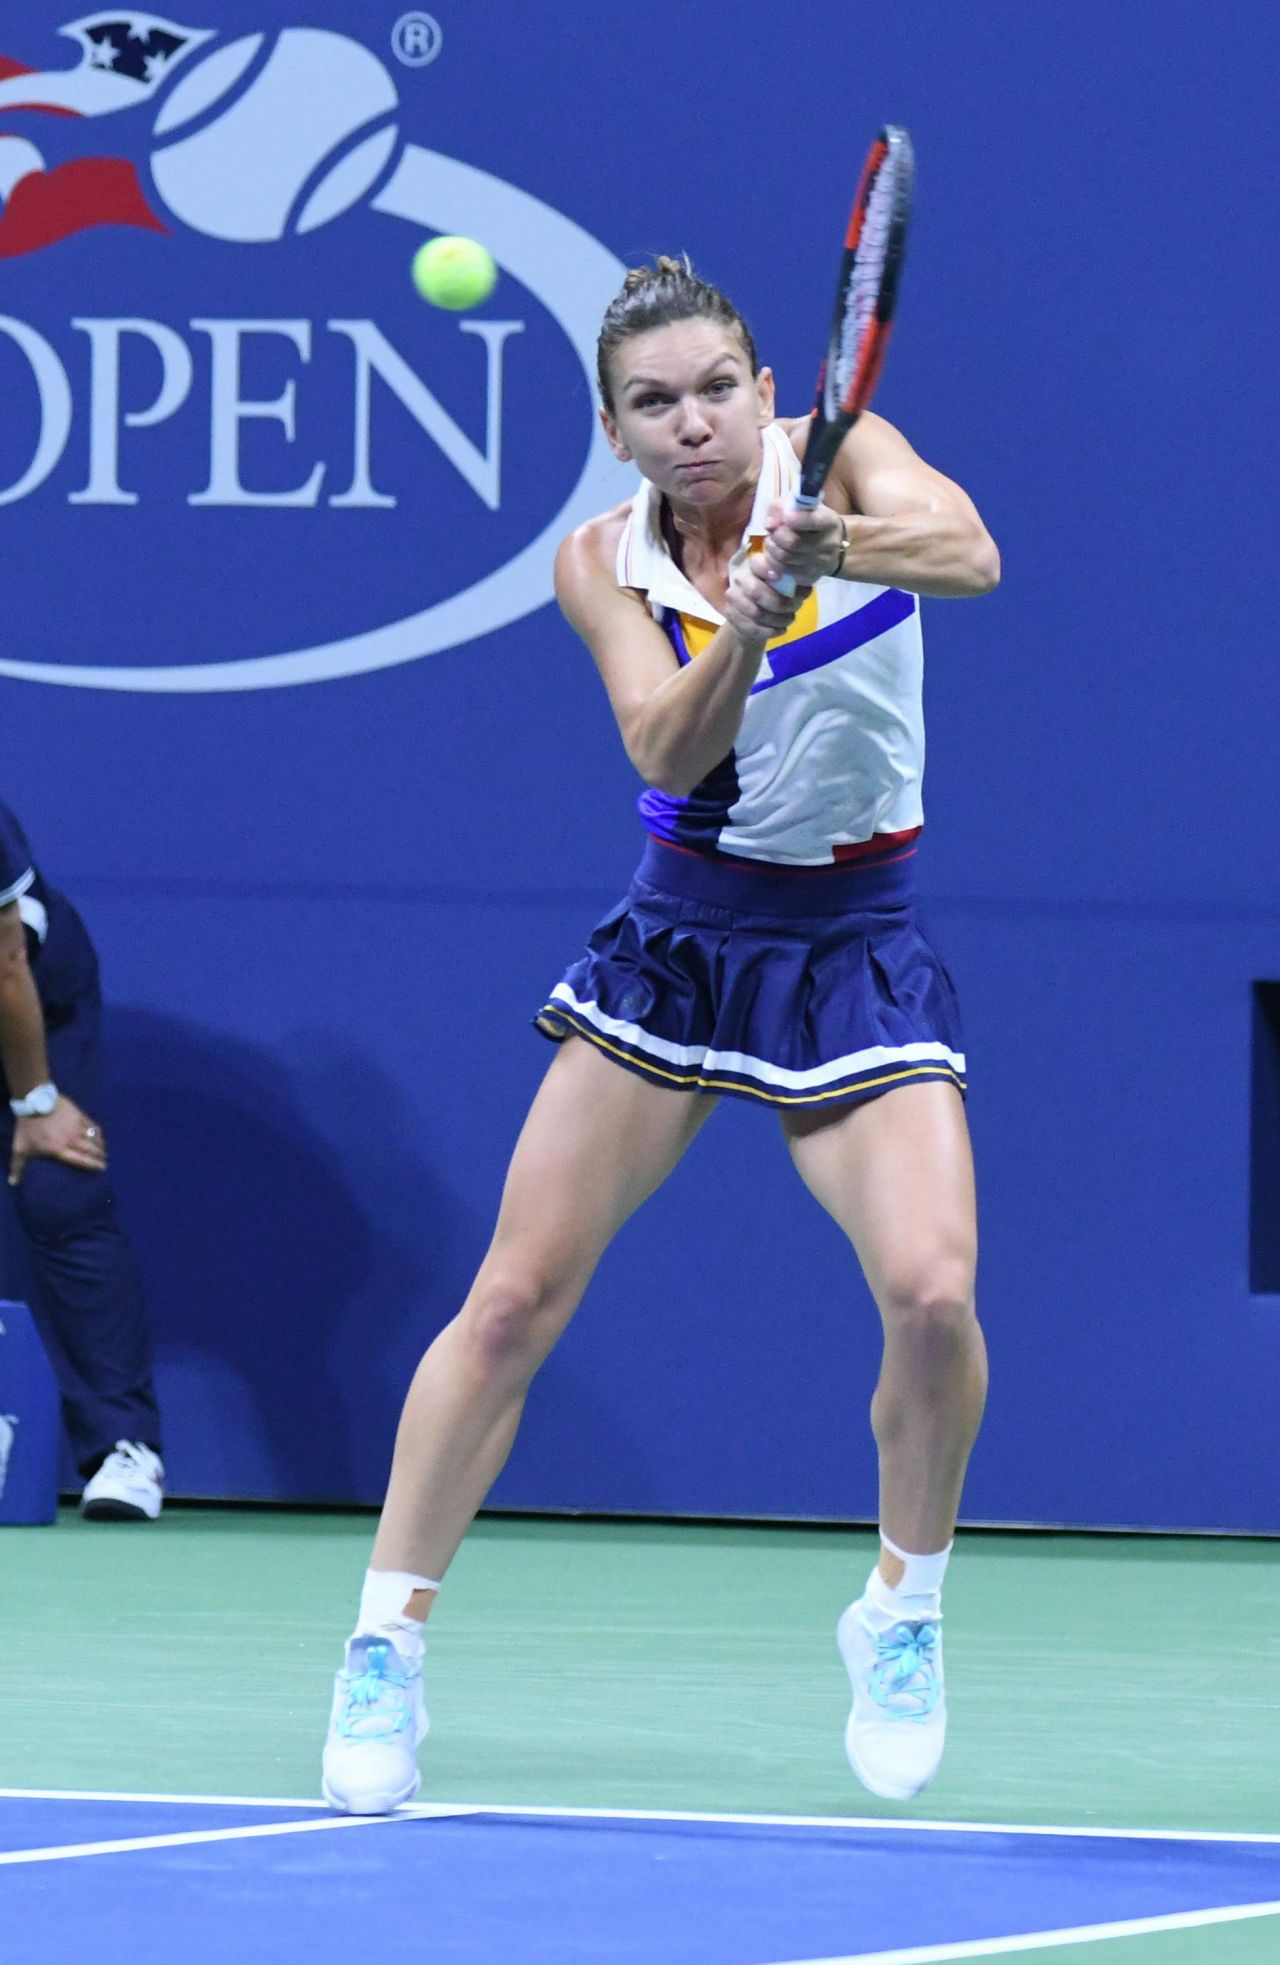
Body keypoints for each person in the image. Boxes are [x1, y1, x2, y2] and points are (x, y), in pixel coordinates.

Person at [321, 257, 998, 1814]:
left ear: (763, 393)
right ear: (614, 431)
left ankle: (901, 1607)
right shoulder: (599, 562)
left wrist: (827, 543)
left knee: (934, 1292)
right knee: (511, 1300)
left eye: (713, 390)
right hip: (683, 944)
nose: (692, 423)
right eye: (652, 403)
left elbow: (971, 554)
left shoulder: (847, 458)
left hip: (856, 944)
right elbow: (663, 747)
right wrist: (745, 623)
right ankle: (384, 1647)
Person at [0, 799, 164, 1520]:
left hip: (31, 995)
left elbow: (6, 963)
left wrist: (37, 1102)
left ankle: (123, 1449)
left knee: (58, 1189)